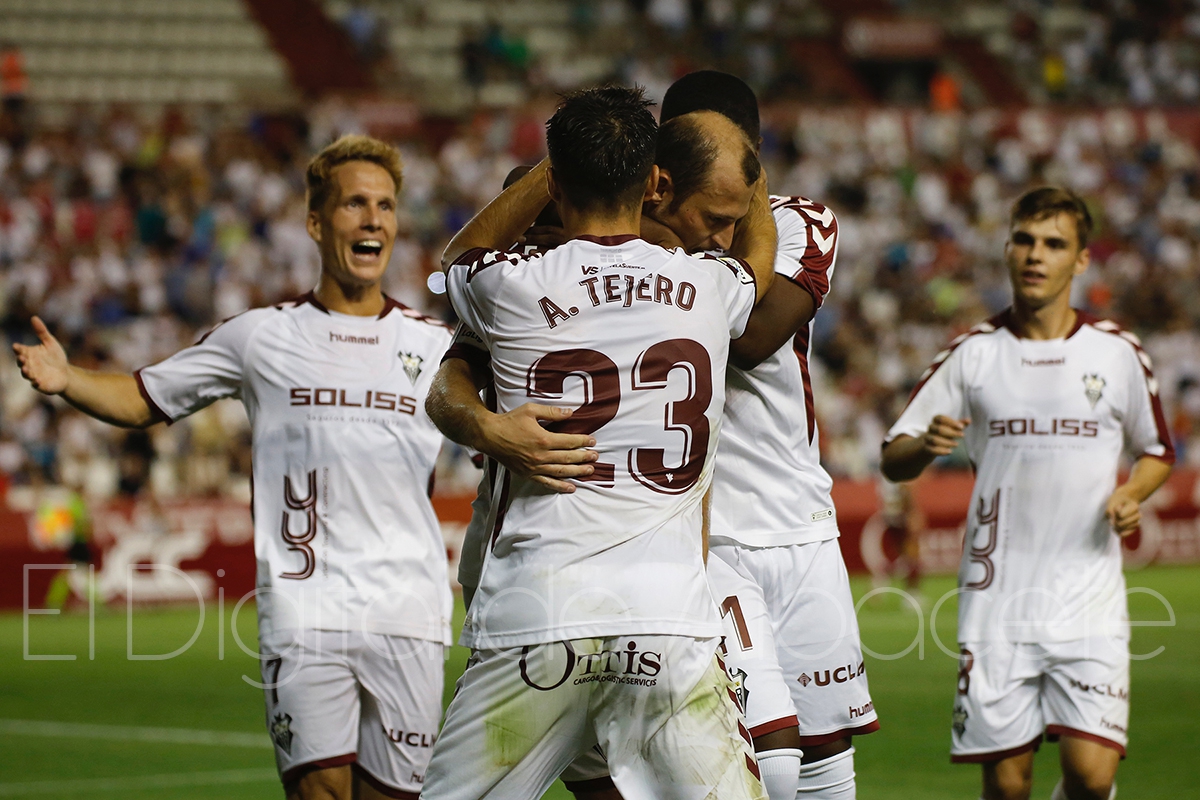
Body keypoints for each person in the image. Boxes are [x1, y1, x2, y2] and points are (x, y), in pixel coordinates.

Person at [431, 70, 876, 800]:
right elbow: (754, 279)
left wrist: (557, 168)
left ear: (559, 186)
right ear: (655, 182)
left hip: (539, 612)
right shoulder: (709, 284)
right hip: (670, 617)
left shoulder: (509, 279)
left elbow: (455, 262)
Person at [13, 134, 454, 800]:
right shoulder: (261, 337)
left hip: (410, 615)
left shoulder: (436, 345)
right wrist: (68, 377)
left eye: (386, 206)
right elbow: (143, 397)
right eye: (355, 204)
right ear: (314, 222)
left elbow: (507, 427)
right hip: (306, 612)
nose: (373, 220)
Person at [880, 187, 1174, 800]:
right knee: (1009, 788)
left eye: (1054, 244)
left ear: (1082, 259)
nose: (1036, 255)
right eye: (1024, 240)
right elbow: (892, 456)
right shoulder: (974, 354)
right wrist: (927, 445)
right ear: (1007, 248)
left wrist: (1132, 494)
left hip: (1088, 603)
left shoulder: (1117, 353)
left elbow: (1156, 451)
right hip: (998, 607)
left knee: (1092, 779)